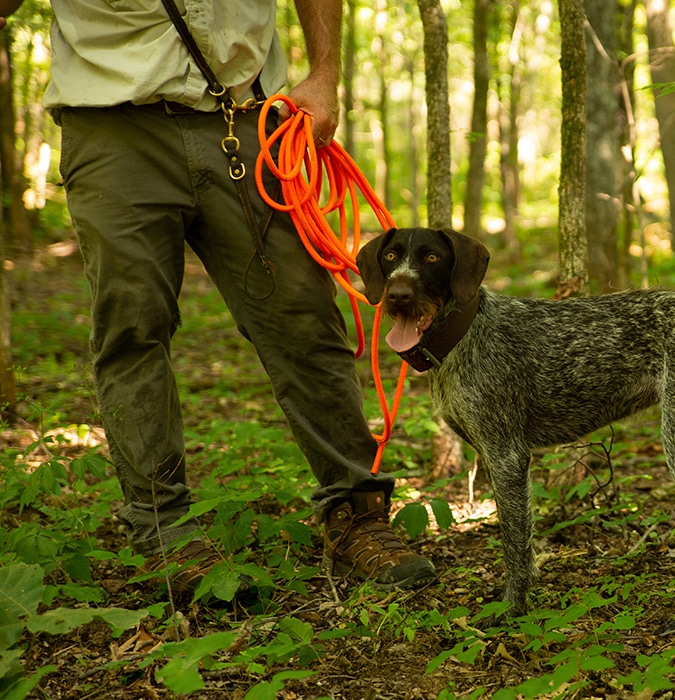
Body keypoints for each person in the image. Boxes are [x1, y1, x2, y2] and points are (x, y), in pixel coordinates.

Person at [0, 0, 434, 599]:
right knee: (133, 327)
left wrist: (325, 75)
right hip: (111, 126)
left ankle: (356, 511)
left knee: (304, 319)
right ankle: (162, 530)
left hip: (247, 121)